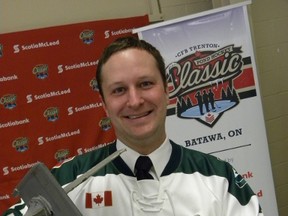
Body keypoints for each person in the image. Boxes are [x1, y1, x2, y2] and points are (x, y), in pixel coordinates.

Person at [4, 36, 264, 216]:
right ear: (104, 104)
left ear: (167, 91)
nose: (135, 101)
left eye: (145, 84)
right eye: (119, 90)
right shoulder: (67, 181)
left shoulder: (220, 179)